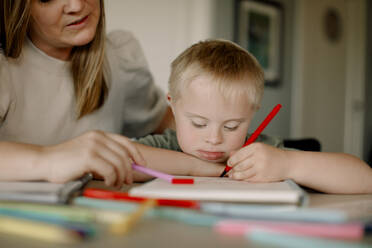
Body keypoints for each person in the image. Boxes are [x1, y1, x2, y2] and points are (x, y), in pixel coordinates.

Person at [0, 0, 222, 187]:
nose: (77, 5)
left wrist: (235, 144)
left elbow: (176, 126)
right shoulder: (5, 68)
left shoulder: (119, 59)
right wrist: (50, 160)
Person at [136, 39, 372, 194]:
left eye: (231, 126)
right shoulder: (166, 146)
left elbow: (365, 179)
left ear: (252, 113)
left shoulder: (262, 152)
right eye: (199, 123)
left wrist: (288, 163)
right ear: (172, 107)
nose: (214, 138)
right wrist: (195, 167)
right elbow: (120, 162)